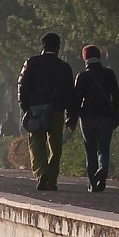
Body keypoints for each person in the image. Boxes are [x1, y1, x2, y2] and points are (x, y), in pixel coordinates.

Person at [18, 32, 76, 192]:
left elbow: (22, 86)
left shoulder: (31, 63)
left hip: (35, 110)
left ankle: (41, 173)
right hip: (56, 111)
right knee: (55, 147)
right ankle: (51, 179)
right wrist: (71, 116)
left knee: (36, 145)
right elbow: (70, 93)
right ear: (58, 47)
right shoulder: (64, 67)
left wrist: (25, 107)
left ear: (42, 46)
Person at [72, 44, 119, 192]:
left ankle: (93, 183)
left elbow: (76, 99)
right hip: (105, 116)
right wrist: (115, 111)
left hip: (87, 117)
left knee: (90, 149)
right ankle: (103, 169)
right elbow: (116, 95)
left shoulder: (82, 76)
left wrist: (72, 117)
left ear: (85, 59)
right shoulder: (109, 74)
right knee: (103, 148)